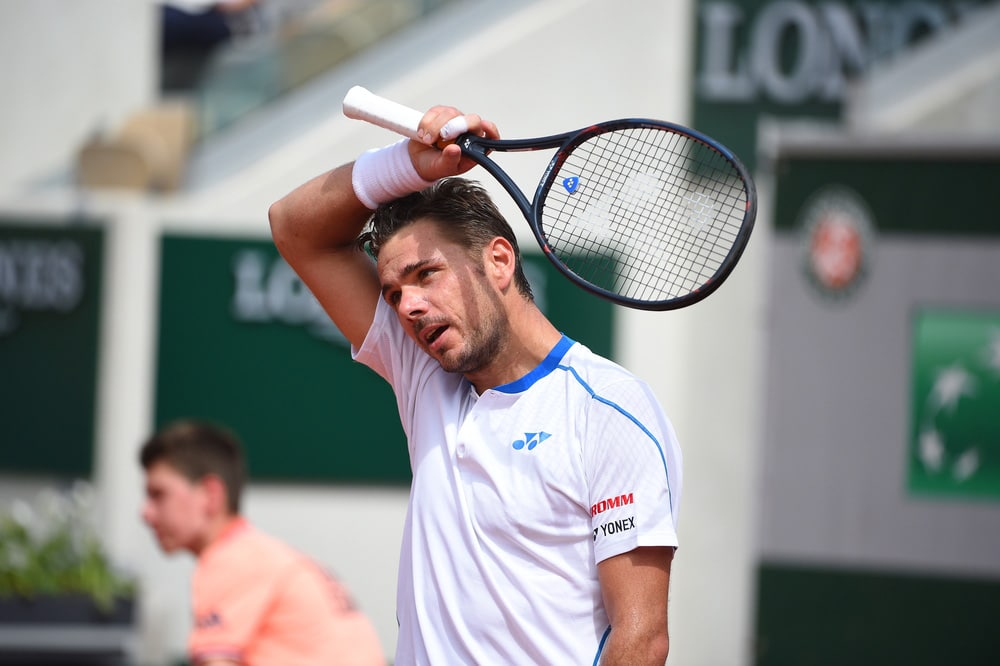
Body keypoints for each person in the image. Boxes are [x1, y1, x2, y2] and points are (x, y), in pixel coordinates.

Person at [268, 102, 683, 665]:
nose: (408, 306)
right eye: (392, 293)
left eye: (425, 275)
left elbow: (641, 641)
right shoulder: (424, 375)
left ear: (499, 260)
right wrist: (410, 165)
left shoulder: (608, 408)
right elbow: (293, 225)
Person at [139, 419, 386, 666]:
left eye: (159, 494)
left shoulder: (228, 561)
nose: (145, 513)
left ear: (211, 495)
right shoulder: (262, 555)